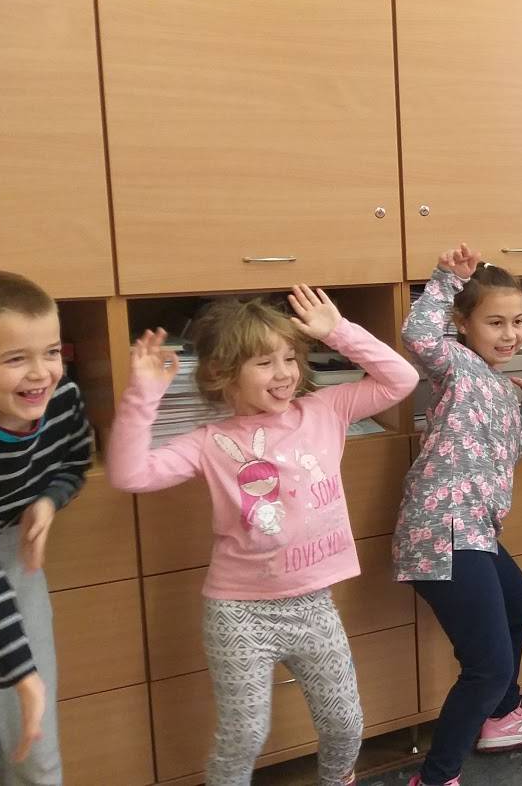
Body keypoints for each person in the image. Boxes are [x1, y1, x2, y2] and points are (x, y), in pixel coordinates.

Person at [108, 286, 418, 786]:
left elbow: (402, 379)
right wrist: (143, 394)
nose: (284, 373)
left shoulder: (324, 410)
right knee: (245, 736)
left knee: (345, 724)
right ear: (223, 373)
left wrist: (338, 332)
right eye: (264, 362)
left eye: (290, 358)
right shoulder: (210, 442)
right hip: (239, 613)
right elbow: (129, 474)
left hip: (314, 604)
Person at [394, 244, 522, 786]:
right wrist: (446, 279)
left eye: (517, 321)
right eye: (495, 322)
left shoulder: (498, 385)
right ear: (463, 325)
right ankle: (437, 776)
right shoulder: (456, 365)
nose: (510, 334)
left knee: (518, 600)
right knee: (487, 666)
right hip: (442, 529)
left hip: (474, 528)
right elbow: (417, 334)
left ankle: (501, 715)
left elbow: (507, 452)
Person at [0, 271, 94, 786]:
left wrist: (47, 502)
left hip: (8, 551)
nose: (40, 374)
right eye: (15, 359)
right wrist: (23, 674)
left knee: (35, 745)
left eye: (51, 352)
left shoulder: (62, 398)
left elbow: (75, 460)